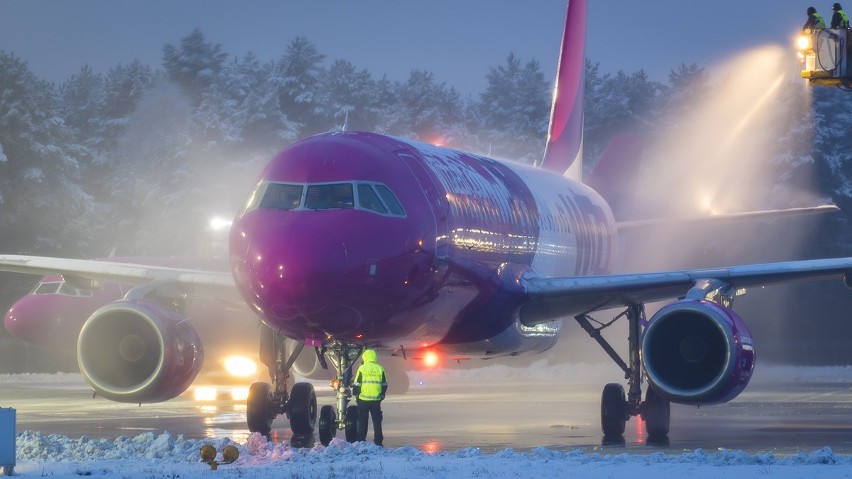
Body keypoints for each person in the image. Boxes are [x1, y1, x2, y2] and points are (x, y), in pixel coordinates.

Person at [352, 348, 388, 446]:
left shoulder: (362, 368)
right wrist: (381, 395)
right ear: (374, 357)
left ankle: (361, 441)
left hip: (363, 400)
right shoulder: (380, 368)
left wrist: (356, 396)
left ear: (364, 357)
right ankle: (378, 441)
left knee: (363, 422)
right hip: (376, 400)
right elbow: (384, 384)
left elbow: (357, 384)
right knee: (377, 422)